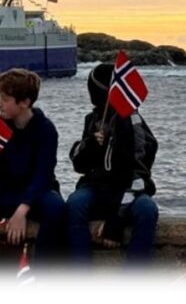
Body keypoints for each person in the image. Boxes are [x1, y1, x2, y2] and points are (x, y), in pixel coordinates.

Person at [0, 67, 66, 268]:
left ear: (24, 103)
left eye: (5, 99)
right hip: (4, 192)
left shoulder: (45, 129)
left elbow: (43, 174)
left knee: (57, 210)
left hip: (36, 193)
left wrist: (22, 211)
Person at [67, 62, 159, 266]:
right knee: (75, 204)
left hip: (129, 190)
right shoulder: (93, 119)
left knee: (147, 210)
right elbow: (79, 164)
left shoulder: (134, 124)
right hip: (96, 187)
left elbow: (139, 175)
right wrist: (90, 145)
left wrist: (116, 221)